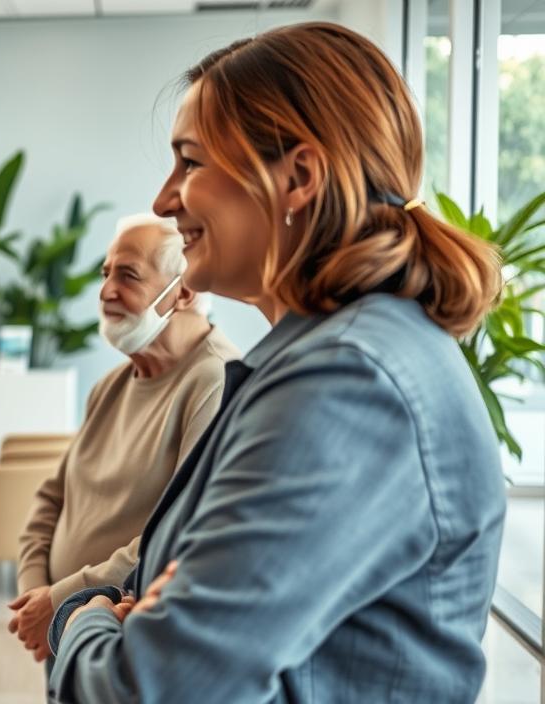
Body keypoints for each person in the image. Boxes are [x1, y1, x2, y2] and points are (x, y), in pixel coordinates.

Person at [47, 21, 506, 703]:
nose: (164, 199)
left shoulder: (347, 383)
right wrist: (148, 601)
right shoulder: (338, 357)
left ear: (297, 177)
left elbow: (150, 688)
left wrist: (80, 623)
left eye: (190, 162)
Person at [8, 214, 238, 663]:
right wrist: (35, 596)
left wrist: (60, 600)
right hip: (61, 630)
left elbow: (178, 535)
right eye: (105, 272)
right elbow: (51, 498)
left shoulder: (216, 381)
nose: (106, 290)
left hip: (120, 642)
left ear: (184, 291)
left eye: (127, 274)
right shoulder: (111, 384)